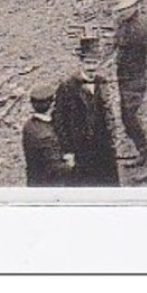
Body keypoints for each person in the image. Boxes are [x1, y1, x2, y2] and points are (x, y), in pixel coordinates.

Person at [53, 36, 120, 187]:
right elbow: (59, 121)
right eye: (88, 63)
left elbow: (108, 115)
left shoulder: (102, 82)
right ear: (80, 63)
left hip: (102, 148)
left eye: (95, 62)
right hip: (80, 149)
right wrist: (67, 151)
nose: (91, 67)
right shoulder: (67, 87)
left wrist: (112, 141)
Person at [113, 0, 147, 180]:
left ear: (133, 7)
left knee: (133, 117)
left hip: (134, 77)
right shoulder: (125, 24)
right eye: (120, 10)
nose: (121, 13)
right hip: (125, 76)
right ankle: (142, 153)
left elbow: (129, 52)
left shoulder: (138, 29)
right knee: (126, 117)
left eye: (124, 9)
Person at [22, 81, 74, 187]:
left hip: (35, 180)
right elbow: (57, 169)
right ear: (51, 104)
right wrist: (71, 163)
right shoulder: (47, 136)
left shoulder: (29, 125)